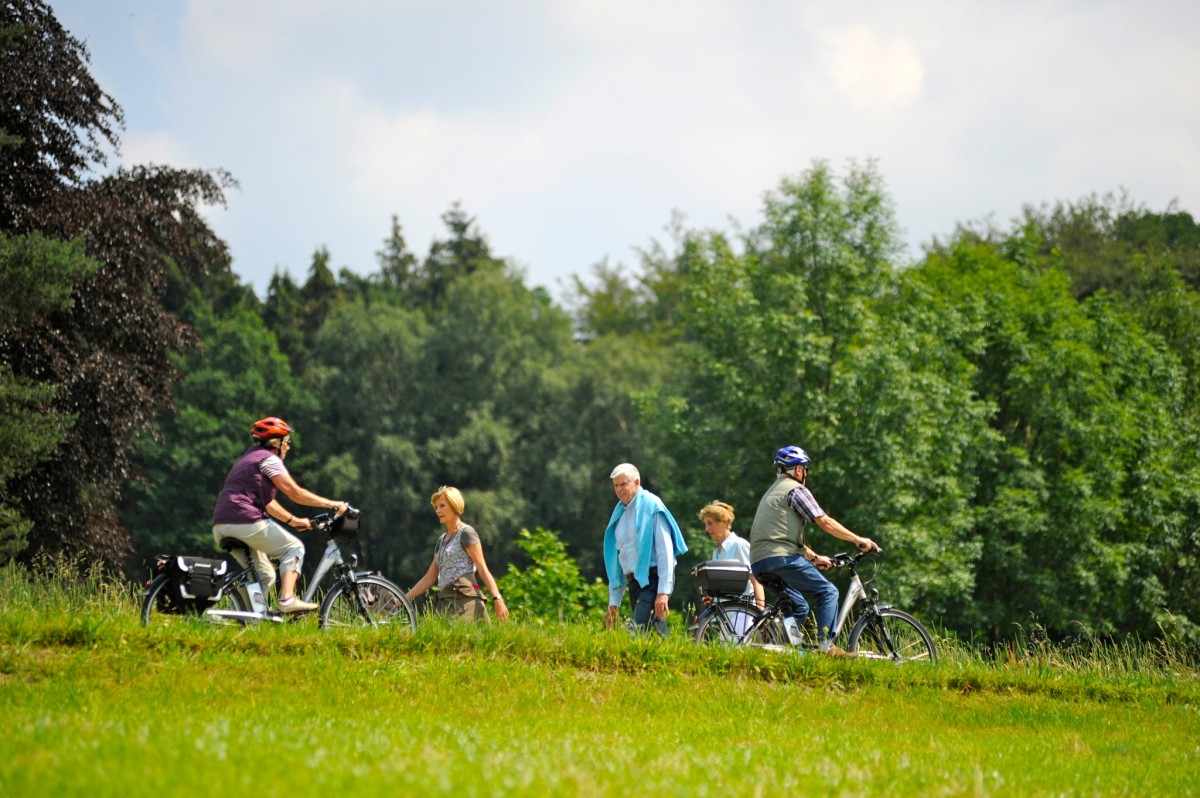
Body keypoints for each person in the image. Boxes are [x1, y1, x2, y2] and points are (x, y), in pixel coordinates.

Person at [749, 445, 880, 657]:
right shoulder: (796, 490)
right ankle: (828, 647)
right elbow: (825, 522)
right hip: (781, 558)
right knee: (828, 592)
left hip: (760, 561)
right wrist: (858, 540)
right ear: (799, 470)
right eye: (805, 469)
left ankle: (781, 644)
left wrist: (814, 557)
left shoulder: (772, 492)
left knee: (798, 607)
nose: (806, 474)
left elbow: (780, 535)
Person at [211, 416, 349, 613]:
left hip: (222, 524)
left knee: (265, 575)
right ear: (277, 443)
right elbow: (295, 493)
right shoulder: (269, 459)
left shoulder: (247, 458)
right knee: (293, 548)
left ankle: (246, 620)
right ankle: (287, 600)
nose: (288, 447)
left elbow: (267, 503)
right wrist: (332, 504)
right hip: (244, 519)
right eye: (287, 442)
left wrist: (294, 521)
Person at [603, 463, 688, 635]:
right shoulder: (619, 513)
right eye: (616, 486)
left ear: (636, 482)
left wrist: (663, 592)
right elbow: (619, 559)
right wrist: (614, 603)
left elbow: (665, 551)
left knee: (634, 631)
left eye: (623, 484)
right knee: (653, 635)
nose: (619, 490)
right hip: (634, 583)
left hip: (653, 580)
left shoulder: (651, 505)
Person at [406, 486, 509, 622]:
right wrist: (402, 599)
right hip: (445, 601)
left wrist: (498, 599)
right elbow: (429, 578)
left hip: (466, 601)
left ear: (454, 505)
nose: (438, 510)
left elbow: (483, 569)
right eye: (436, 507)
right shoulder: (441, 541)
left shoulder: (466, 533)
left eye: (442, 506)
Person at [699, 500, 764, 609]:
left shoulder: (739, 545)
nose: (707, 528)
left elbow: (756, 581)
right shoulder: (716, 551)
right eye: (706, 524)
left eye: (710, 523)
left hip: (743, 613)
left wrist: (759, 612)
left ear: (724, 522)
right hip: (725, 617)